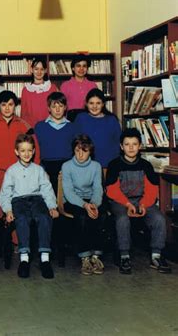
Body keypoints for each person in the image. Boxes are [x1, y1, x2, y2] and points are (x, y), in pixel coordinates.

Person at [106, 128, 171, 275]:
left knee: (159, 218)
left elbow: (152, 189)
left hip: (142, 201)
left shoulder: (146, 166)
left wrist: (143, 204)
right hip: (120, 202)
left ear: (139, 146)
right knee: (122, 219)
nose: (130, 147)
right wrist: (127, 204)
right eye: (127, 144)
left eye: (134, 144)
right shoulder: (114, 165)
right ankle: (124, 256)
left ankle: (157, 255)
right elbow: (112, 190)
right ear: (121, 146)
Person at [0, 134, 58, 279]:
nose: (26, 154)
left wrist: (52, 206)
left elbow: (46, 188)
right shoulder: (11, 171)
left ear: (33, 151)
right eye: (22, 150)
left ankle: (45, 259)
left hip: (37, 200)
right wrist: (7, 210)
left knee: (44, 218)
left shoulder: (38, 170)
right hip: (19, 201)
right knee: (22, 220)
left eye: (29, 150)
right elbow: (5, 193)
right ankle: (24, 260)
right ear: (16, 152)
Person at [61, 135, 106, 275]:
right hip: (73, 200)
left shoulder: (96, 166)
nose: (80, 155)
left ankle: (96, 256)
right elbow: (68, 192)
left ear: (90, 151)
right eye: (77, 150)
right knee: (82, 216)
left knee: (102, 214)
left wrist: (94, 204)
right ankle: (85, 257)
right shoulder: (67, 166)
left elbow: (98, 188)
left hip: (92, 199)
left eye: (84, 151)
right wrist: (85, 205)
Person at [0, 90, 40, 191]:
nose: (7, 108)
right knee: (2, 205)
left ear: (15, 106)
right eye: (4, 105)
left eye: (10, 104)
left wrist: (32, 171)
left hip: (21, 171)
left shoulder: (25, 126)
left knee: (20, 203)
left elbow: (36, 150)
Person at [35, 91, 76, 194]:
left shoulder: (72, 127)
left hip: (66, 164)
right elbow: (35, 151)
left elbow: (76, 151)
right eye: (54, 106)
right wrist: (41, 169)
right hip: (46, 165)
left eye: (60, 106)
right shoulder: (40, 127)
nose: (57, 110)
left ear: (65, 107)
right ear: (49, 108)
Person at [75, 88, 121, 169]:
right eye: (91, 103)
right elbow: (75, 143)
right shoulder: (80, 118)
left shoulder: (112, 120)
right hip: (86, 165)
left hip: (108, 165)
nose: (94, 106)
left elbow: (119, 143)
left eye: (98, 103)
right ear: (86, 104)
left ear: (103, 104)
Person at [21, 57, 58, 127]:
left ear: (46, 70)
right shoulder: (26, 90)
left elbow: (57, 109)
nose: (39, 72)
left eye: (42, 69)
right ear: (31, 70)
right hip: (32, 129)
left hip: (50, 127)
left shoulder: (52, 87)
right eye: (36, 69)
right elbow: (24, 114)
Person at [60, 54, 97, 121]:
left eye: (84, 66)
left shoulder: (93, 85)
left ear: (87, 68)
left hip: (89, 119)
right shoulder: (65, 85)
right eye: (78, 66)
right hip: (71, 120)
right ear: (73, 68)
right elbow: (61, 107)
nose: (81, 69)